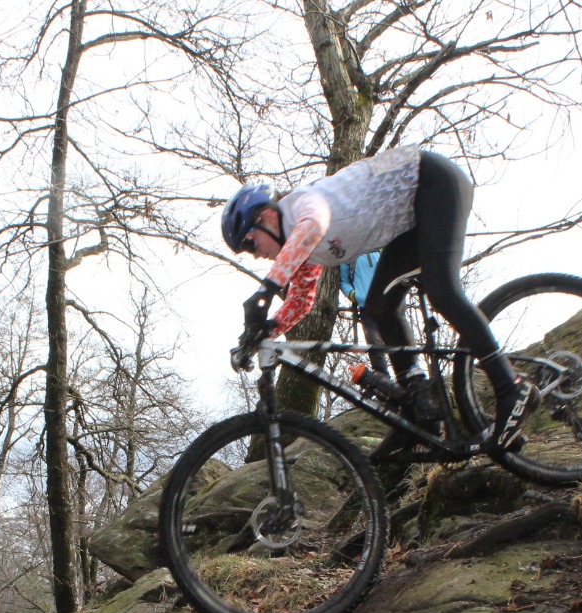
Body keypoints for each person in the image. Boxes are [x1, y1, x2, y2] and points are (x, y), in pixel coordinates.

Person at [221, 146, 537, 449]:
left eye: (250, 244)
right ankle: (417, 408)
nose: (254, 254)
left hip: (432, 181)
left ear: (266, 217)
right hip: (411, 217)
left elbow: (315, 223)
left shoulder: (300, 205)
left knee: (443, 291)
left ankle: (511, 387)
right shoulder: (300, 244)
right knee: (378, 307)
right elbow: (301, 301)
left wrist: (267, 288)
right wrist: (267, 329)